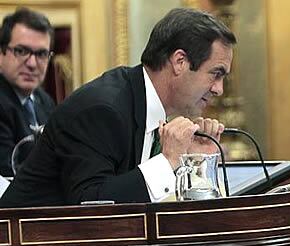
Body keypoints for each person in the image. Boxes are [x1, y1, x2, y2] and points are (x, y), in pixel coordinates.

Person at [0, 8, 234, 207]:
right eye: (216, 74)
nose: (218, 89)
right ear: (179, 61)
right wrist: (167, 161)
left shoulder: (143, 103)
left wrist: (190, 163)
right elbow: (91, 206)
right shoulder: (103, 109)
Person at [0, 7, 56, 176]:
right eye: (22, 51)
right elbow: (7, 169)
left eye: (41, 54)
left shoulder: (45, 101)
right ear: (1, 53)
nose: (32, 63)